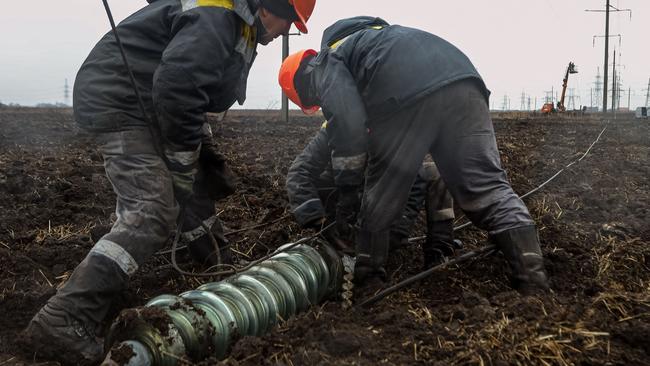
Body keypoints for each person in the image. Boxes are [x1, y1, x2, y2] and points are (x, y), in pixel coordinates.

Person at [22, 0, 316, 363]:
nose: (288, 31)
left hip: (150, 101)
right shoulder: (219, 17)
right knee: (153, 211)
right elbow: (177, 84)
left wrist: (202, 153)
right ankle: (64, 317)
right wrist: (184, 161)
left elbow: (196, 90)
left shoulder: (239, 26)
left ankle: (214, 261)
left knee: (195, 184)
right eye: (291, 21)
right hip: (124, 99)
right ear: (271, 6)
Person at [278, 16, 549, 293]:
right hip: (467, 83)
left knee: (381, 194)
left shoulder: (325, 61)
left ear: (303, 84)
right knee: (488, 188)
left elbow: (348, 123)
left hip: (407, 96)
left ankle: (367, 282)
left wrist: (349, 194)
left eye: (315, 101)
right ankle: (533, 281)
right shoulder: (384, 41)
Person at [286, 122, 458, 267]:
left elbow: (415, 178)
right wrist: (319, 222)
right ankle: (342, 237)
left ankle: (439, 249)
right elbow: (299, 173)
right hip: (342, 205)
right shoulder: (335, 126)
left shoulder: (397, 128)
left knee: (436, 173)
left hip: (376, 199)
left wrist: (398, 230)